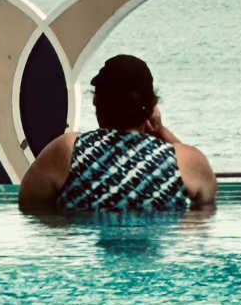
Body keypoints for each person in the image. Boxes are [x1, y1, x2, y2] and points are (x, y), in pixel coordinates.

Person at [18, 53, 216, 215]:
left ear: (96, 101)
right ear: (153, 106)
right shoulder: (185, 161)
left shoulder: (68, 151)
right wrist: (161, 131)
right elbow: (207, 204)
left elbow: (29, 205)